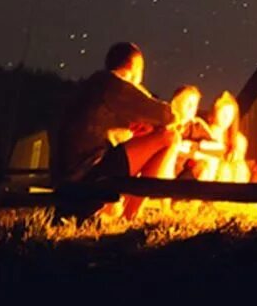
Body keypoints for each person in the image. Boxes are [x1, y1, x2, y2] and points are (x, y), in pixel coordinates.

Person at [50, 42, 177, 217]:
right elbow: (167, 116)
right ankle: (129, 216)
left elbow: (101, 130)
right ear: (135, 67)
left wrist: (135, 131)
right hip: (85, 177)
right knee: (169, 136)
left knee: (152, 135)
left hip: (66, 178)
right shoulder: (113, 84)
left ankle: (118, 210)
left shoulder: (92, 85)